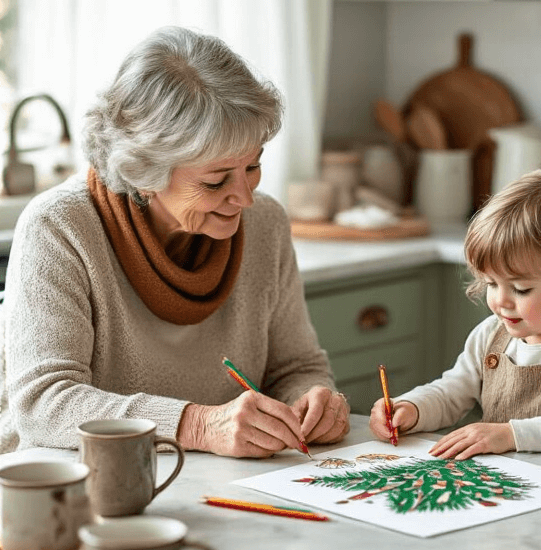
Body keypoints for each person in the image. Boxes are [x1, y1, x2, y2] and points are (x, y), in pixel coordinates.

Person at [0, 27, 349, 457]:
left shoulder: (266, 223)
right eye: (215, 181)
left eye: (253, 167)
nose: (245, 198)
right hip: (76, 481)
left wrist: (312, 399)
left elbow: (297, 366)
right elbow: (43, 404)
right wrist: (198, 426)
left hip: (213, 479)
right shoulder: (59, 226)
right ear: (144, 174)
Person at [369, 167, 541, 457]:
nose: (501, 301)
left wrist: (511, 435)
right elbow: (450, 393)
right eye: (491, 283)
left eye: (521, 289)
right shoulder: (490, 336)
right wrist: (412, 408)